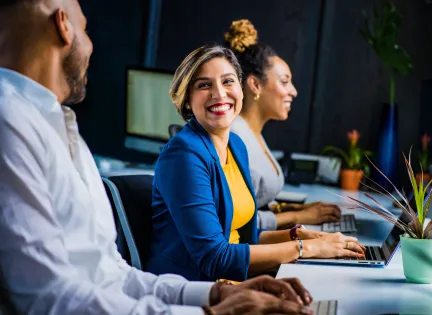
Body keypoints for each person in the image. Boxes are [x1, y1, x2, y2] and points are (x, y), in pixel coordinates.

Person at [0, 1, 315, 314]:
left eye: (228, 81)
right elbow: (48, 299)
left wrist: (216, 296)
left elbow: (112, 276)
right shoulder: (10, 123)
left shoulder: (59, 126)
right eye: (85, 28)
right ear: (63, 26)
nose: (92, 44)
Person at [148, 44, 365, 282]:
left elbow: (245, 238)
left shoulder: (236, 146)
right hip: (193, 287)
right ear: (188, 100)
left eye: (228, 81)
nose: (219, 94)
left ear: (241, 90)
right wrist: (306, 249)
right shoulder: (183, 155)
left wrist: (304, 237)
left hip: (234, 280)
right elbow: (215, 258)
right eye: (204, 85)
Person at [225, 19, 345, 231]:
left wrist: (290, 209)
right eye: (284, 81)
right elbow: (236, 223)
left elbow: (255, 202)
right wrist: (297, 216)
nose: (293, 91)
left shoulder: (253, 133)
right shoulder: (235, 139)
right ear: (255, 84)